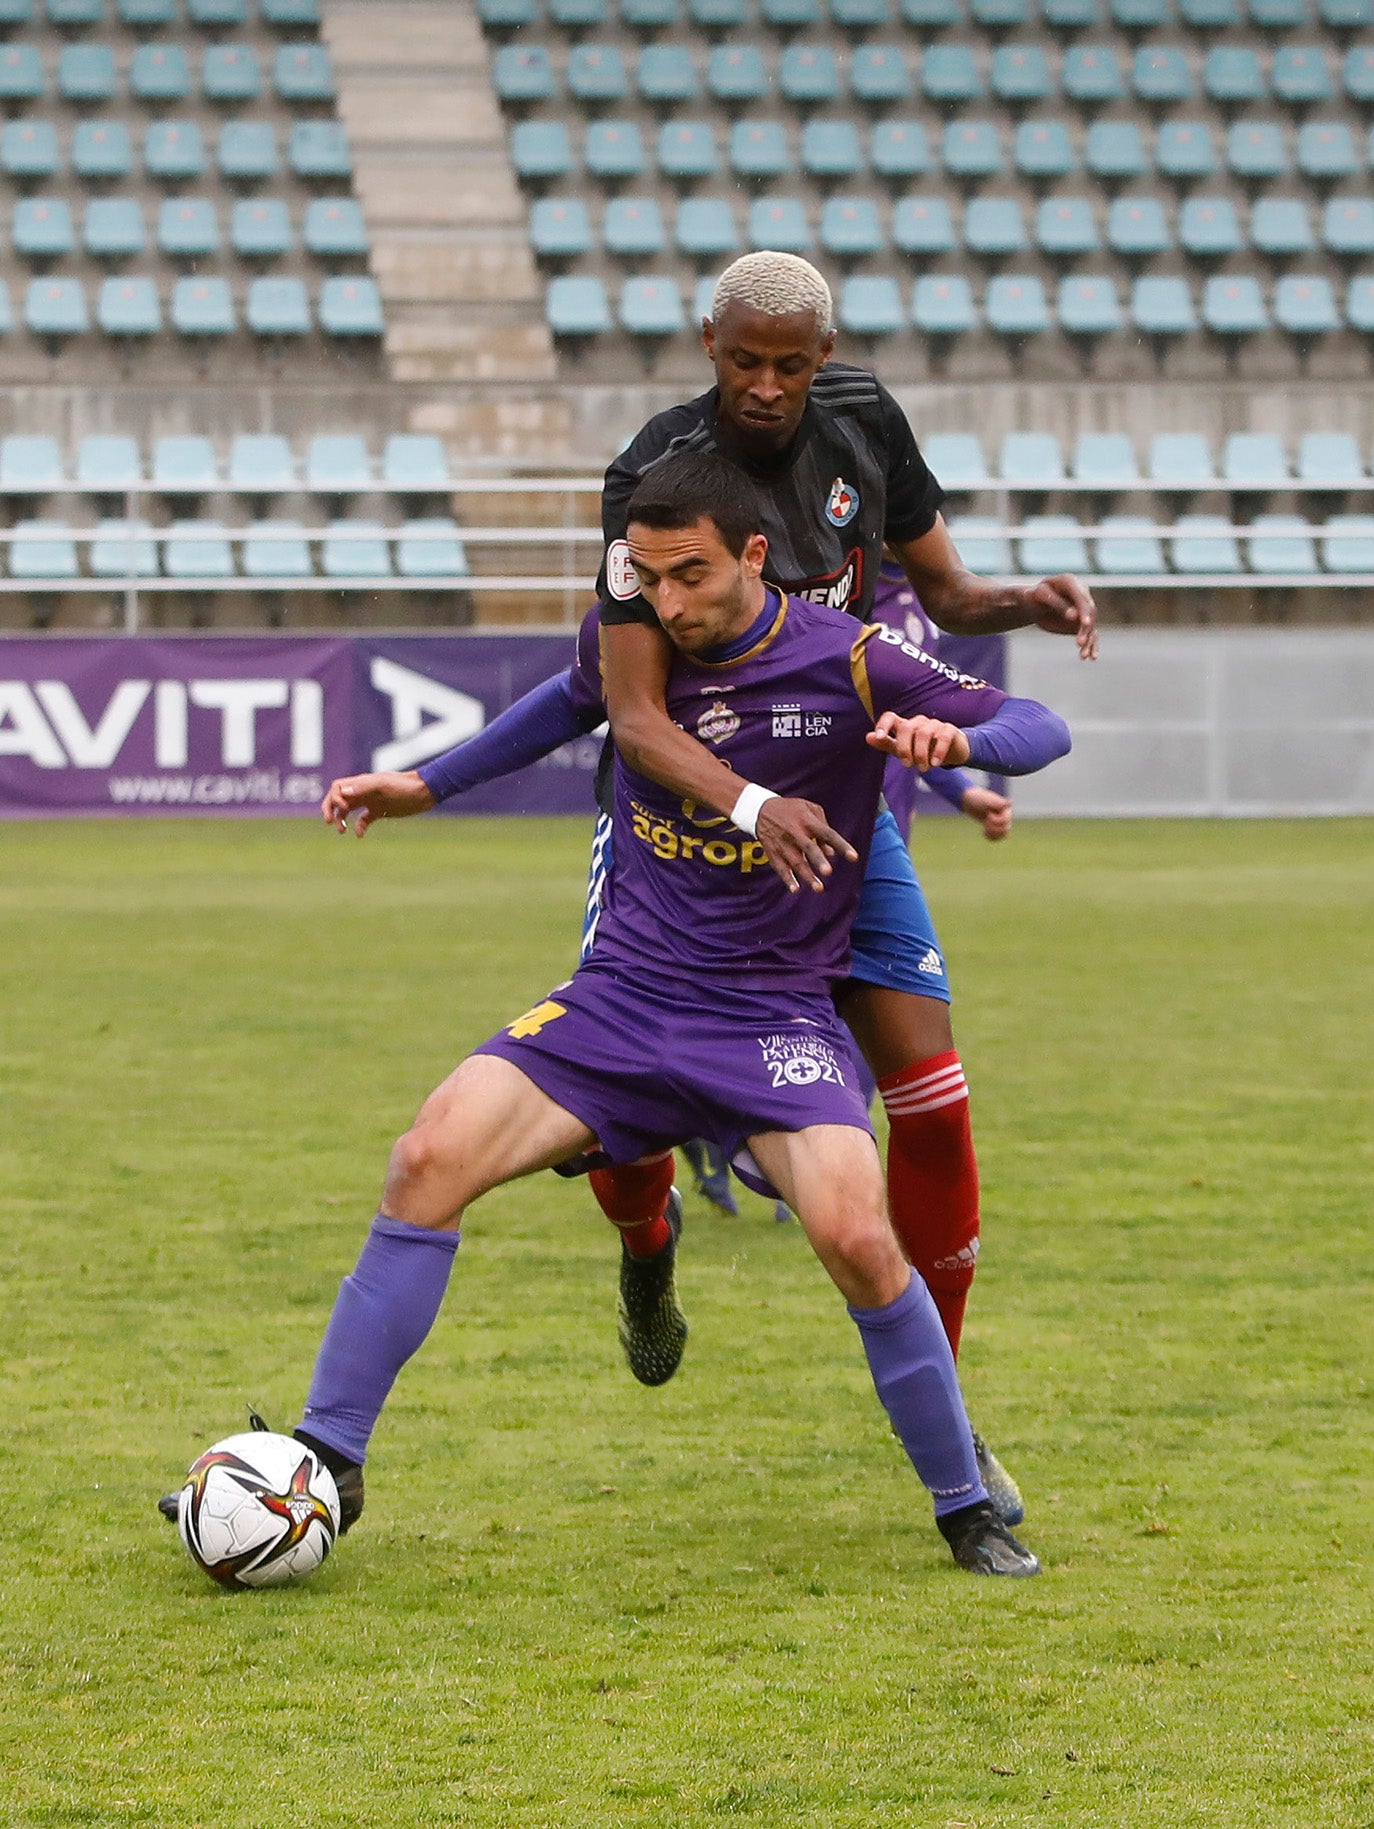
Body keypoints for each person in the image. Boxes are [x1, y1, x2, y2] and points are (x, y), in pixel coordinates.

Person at [167, 454, 1070, 1576]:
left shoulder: (851, 656)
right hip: (623, 999)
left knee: (853, 1233)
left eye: (690, 574)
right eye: (648, 575)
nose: (669, 601)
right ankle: (326, 1455)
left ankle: (963, 1502)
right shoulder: (635, 623)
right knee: (426, 1156)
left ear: (752, 554)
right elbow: (567, 700)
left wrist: (963, 743)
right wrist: (428, 784)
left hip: (771, 1014)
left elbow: (1038, 720)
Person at [317, 252, 1093, 1526]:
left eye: (795, 361)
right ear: (709, 345)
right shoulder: (652, 484)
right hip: (681, 850)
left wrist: (992, 668)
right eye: (748, 359)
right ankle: (643, 1239)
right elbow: (612, 703)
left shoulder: (862, 465)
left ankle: (950, 1421)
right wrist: (432, 782)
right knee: (588, 1117)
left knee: (933, 1116)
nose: (772, 384)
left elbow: (959, 634)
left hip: (835, 827)